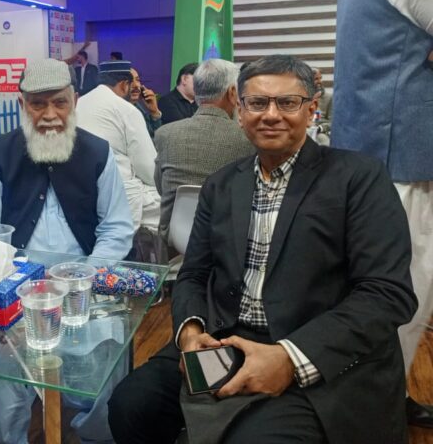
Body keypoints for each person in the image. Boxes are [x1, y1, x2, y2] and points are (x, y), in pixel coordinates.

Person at [109, 55, 416, 444]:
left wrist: (288, 356)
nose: (271, 115)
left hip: (313, 346)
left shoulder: (358, 178)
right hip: (225, 338)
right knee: (131, 405)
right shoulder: (222, 185)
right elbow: (194, 272)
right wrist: (189, 330)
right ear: (239, 110)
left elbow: (387, 293)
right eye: (257, 103)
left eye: (287, 102)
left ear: (311, 109)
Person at [0, 57, 133, 444]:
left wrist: (87, 275)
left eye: (59, 102)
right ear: (22, 104)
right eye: (38, 104)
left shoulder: (98, 152)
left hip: (84, 288)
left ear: (74, 101)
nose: (49, 115)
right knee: (5, 385)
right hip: (17, 293)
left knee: (105, 373)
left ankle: (94, 437)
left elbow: (117, 227)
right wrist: (12, 285)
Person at [330, 0, 433, 426]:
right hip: (404, 164)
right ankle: (375, 410)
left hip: (368, 159)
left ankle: (376, 399)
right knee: (405, 294)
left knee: (372, 292)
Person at [154, 59, 254, 243]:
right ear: (233, 92)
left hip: (172, 241)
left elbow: (161, 188)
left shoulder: (164, 134)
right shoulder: (249, 138)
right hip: (227, 241)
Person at [76, 60, 161, 232]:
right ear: (124, 85)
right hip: (118, 194)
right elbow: (148, 168)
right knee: (167, 204)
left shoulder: (79, 103)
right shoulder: (126, 110)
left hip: (81, 190)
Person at [129, 67, 162, 138]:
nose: (136, 85)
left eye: (137, 80)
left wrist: (154, 112)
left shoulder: (138, 107)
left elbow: (156, 138)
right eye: (130, 81)